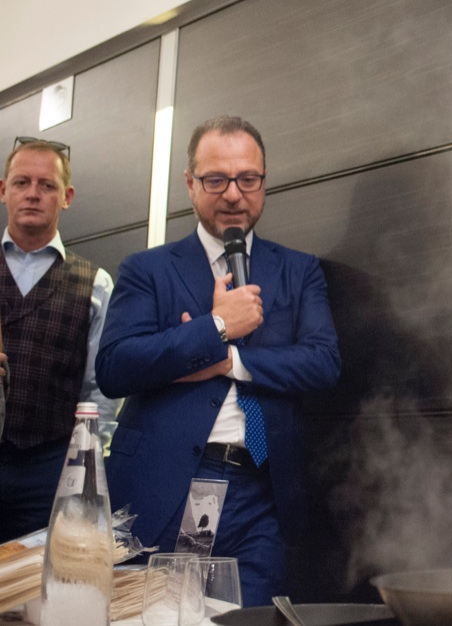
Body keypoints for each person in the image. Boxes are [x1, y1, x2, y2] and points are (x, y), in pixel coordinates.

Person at [96, 116, 341, 606]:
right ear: (190, 183)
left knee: (248, 618)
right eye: (216, 180)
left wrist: (229, 359)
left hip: (261, 493)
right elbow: (115, 367)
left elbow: (323, 362)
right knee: (152, 617)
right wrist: (214, 326)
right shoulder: (147, 269)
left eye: (248, 179)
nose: (234, 194)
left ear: (264, 182)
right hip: (163, 483)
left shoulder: (298, 270)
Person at [0, 137, 115, 543]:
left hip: (50, 468)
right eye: (21, 183)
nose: (33, 194)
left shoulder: (96, 284)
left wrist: (85, 465)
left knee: (39, 591)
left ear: (66, 197)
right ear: (3, 191)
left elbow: (98, 391)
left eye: (46, 185)